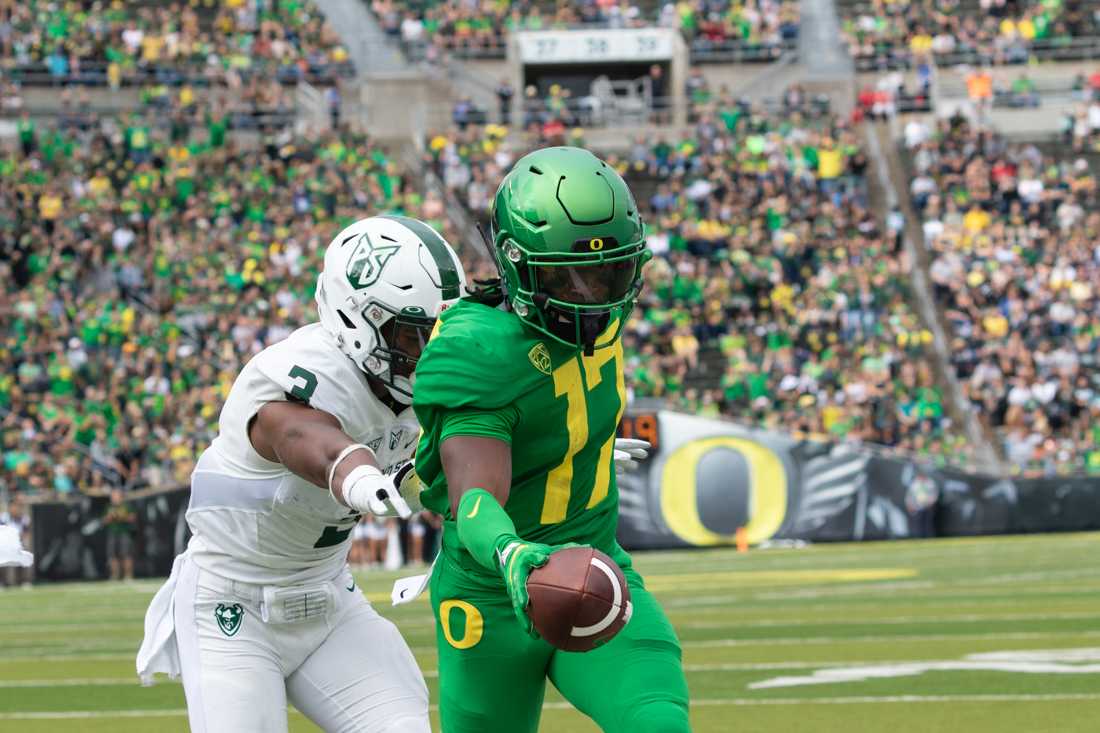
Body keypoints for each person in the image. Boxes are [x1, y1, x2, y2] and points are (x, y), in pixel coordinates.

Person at [137, 215, 468, 733]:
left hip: (330, 602)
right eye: (410, 333)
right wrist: (354, 472)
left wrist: (560, 457)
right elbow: (299, 435)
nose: (427, 351)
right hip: (233, 605)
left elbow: (455, 463)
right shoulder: (297, 372)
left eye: (438, 332)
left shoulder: (419, 386)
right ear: (359, 317)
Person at [409, 147, 690, 732]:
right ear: (516, 264)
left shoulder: (604, 325)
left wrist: (575, 447)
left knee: (657, 719)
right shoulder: (478, 349)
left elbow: (550, 409)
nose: (593, 295)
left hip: (592, 567)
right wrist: (511, 553)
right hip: (492, 594)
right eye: (569, 275)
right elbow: (475, 495)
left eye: (609, 271)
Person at [103, 489, 136, 581]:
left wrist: (122, 516)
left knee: (126, 554)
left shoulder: (126, 506)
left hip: (124, 532)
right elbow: (104, 521)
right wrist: (110, 517)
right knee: (112, 555)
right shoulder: (108, 507)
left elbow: (133, 518)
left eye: (116, 496)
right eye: (113, 496)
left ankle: (128, 575)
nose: (114, 498)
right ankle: (114, 575)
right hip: (112, 532)